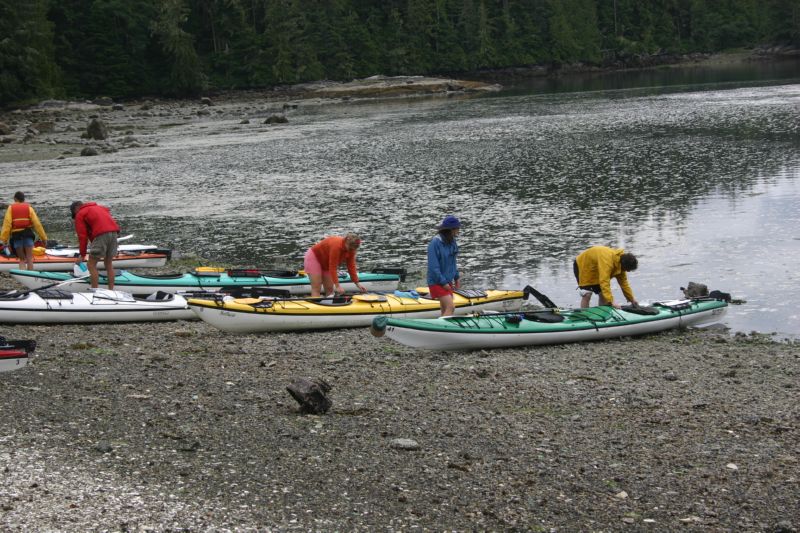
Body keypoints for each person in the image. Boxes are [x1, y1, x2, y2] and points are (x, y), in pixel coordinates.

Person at [70, 201, 120, 289]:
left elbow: (82, 236)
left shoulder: (80, 213)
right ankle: (111, 291)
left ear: (76, 209)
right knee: (108, 264)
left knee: (91, 265)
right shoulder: (101, 208)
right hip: (114, 233)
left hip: (102, 235)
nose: (75, 217)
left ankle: (94, 291)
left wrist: (82, 255)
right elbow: (104, 224)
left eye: (74, 214)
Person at [573, 245, 638, 309]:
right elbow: (604, 281)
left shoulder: (621, 264)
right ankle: (584, 315)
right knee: (587, 294)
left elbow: (624, 284)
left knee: (603, 295)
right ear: (624, 264)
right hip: (583, 265)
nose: (628, 271)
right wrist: (611, 301)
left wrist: (632, 299)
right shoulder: (607, 262)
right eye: (627, 269)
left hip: (596, 269)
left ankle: (602, 315)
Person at [304, 233, 366, 298]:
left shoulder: (352, 250)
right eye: (350, 249)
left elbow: (351, 266)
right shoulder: (336, 246)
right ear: (346, 243)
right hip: (314, 257)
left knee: (330, 289)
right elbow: (333, 267)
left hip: (326, 261)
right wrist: (337, 286)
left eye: (353, 249)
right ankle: (315, 306)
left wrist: (357, 283)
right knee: (317, 287)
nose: (351, 251)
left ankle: (329, 306)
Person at [0, 191, 48, 270]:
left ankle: (23, 275)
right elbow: (37, 224)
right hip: (28, 236)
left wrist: (3, 239)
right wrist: (44, 238)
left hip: (17, 237)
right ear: (23, 199)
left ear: (15, 199)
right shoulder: (29, 208)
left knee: (21, 259)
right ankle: (31, 276)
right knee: (29, 258)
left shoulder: (11, 208)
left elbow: (7, 225)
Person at [427, 215, 461, 316]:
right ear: (450, 230)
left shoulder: (452, 242)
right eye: (457, 228)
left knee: (445, 309)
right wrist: (443, 283)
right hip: (436, 282)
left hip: (447, 281)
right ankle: (442, 329)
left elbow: (453, 262)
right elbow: (433, 268)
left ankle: (441, 328)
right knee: (451, 307)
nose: (459, 231)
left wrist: (456, 277)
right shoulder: (435, 243)